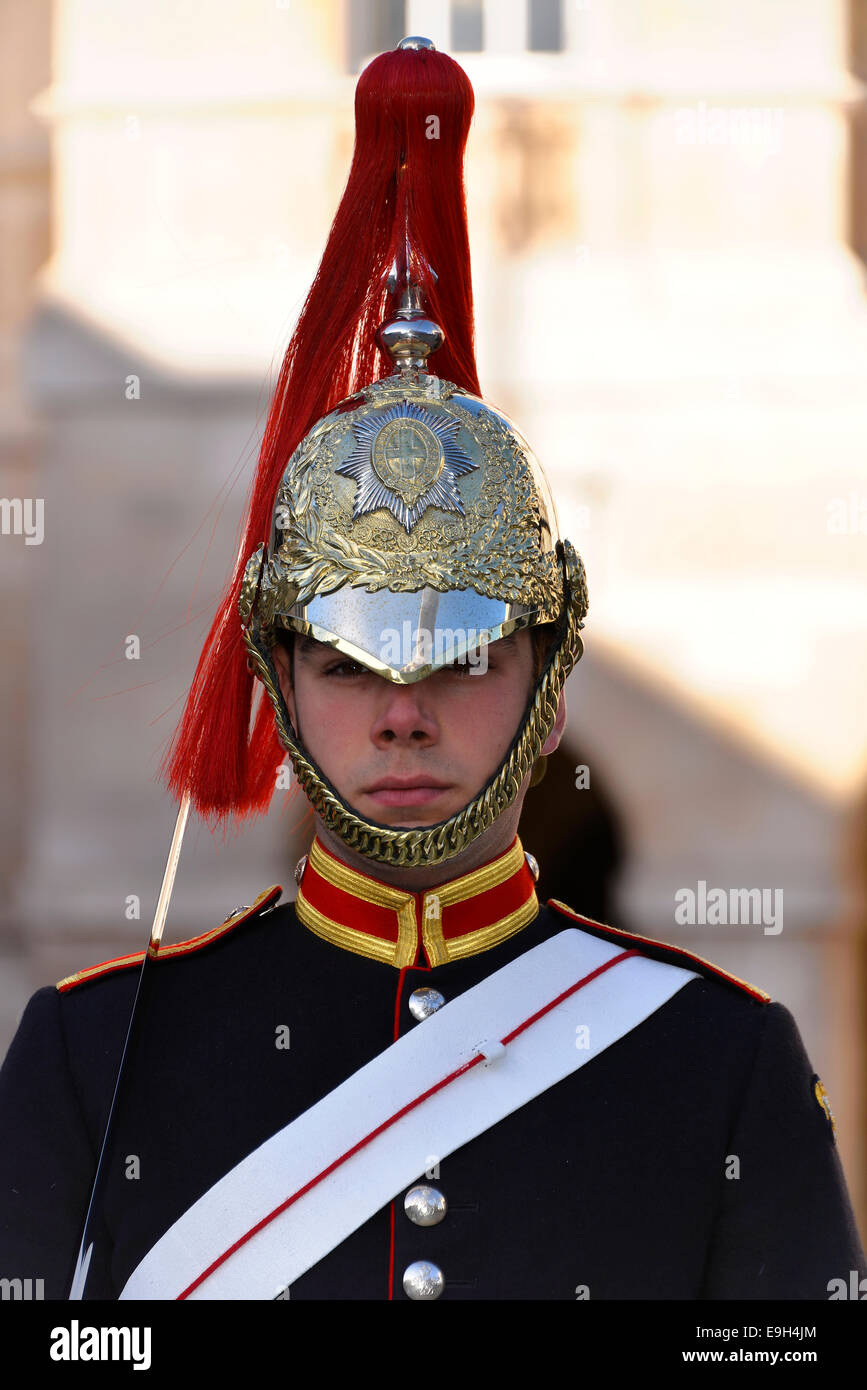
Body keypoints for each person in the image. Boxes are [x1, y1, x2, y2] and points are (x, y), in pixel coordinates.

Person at [1, 37, 865, 1303]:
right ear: (278, 675)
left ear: (553, 674)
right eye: (350, 658)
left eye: (458, 653)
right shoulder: (93, 1057)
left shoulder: (724, 1061)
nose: (402, 713)